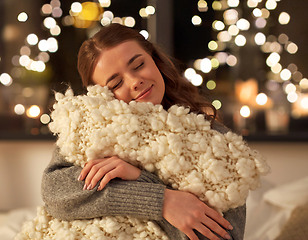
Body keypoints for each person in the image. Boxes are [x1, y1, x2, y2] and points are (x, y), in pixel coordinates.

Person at [42, 23, 246, 240]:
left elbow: (224, 237)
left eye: (138, 65)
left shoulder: (216, 140)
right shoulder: (91, 130)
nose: (135, 81)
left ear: (154, 59)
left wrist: (138, 178)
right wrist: (160, 200)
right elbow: (56, 194)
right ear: (100, 95)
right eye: (116, 83)